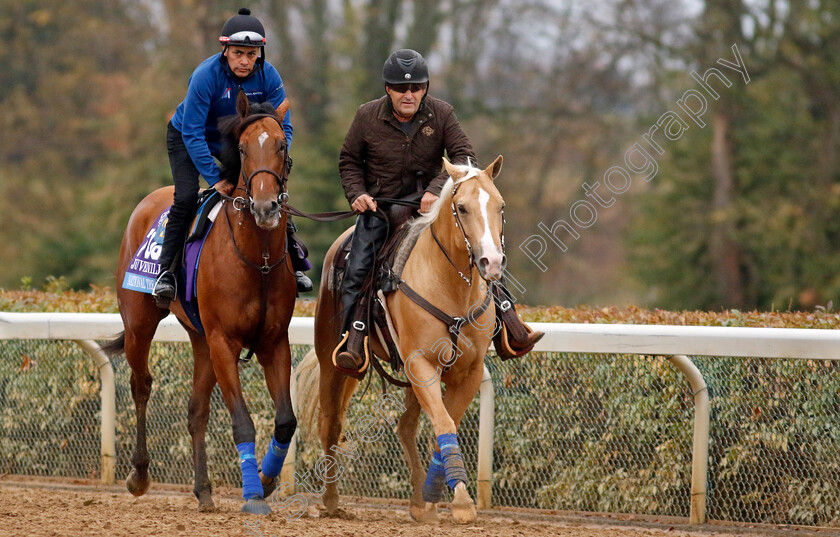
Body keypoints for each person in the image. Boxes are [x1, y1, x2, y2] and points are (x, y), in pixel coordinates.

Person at [334, 48, 544, 374]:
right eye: (401, 88)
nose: (409, 94)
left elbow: (465, 157)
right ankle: (354, 338)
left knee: (481, 248)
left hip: (430, 210)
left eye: (416, 87)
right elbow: (348, 160)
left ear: (425, 88)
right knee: (357, 266)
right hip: (382, 211)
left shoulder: (442, 113)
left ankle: (510, 325)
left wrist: (435, 191)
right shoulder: (366, 115)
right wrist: (357, 193)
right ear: (388, 89)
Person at [152, 7, 312, 307]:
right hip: (189, 138)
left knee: (269, 191)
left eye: (252, 55)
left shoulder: (270, 76)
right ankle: (167, 272)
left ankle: (294, 260)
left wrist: (273, 152)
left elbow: (283, 128)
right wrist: (216, 179)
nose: (245, 61)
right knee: (186, 197)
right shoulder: (204, 76)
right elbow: (193, 134)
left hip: (243, 142)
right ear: (225, 50)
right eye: (238, 53)